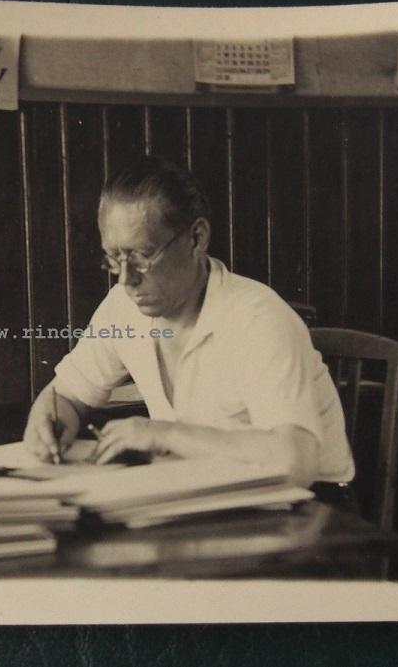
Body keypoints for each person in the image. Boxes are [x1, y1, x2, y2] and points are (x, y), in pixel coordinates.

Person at [22, 156, 354, 489]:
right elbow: (66, 394)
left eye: (141, 257)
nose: (125, 279)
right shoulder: (123, 307)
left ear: (197, 238)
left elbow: (296, 463)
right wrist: (46, 424)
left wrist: (162, 434)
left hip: (309, 503)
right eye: (114, 258)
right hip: (207, 494)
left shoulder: (258, 318)